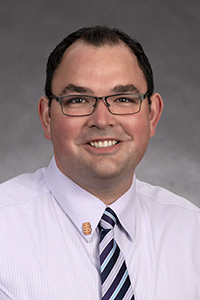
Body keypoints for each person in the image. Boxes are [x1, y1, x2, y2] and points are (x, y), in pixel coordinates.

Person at [0, 25, 199, 300]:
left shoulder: (192, 233)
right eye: (78, 100)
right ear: (47, 117)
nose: (102, 120)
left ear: (152, 114)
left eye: (124, 99)